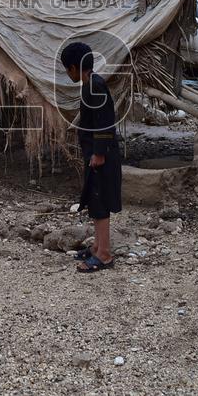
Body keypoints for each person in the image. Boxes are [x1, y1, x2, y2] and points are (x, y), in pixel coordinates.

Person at [59, 42, 122, 273]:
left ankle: (104, 254)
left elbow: (104, 122)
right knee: (95, 201)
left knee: (100, 202)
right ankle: (97, 246)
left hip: (101, 156)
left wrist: (98, 153)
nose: (68, 73)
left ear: (75, 67)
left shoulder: (95, 86)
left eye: (68, 69)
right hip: (95, 154)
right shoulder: (90, 85)